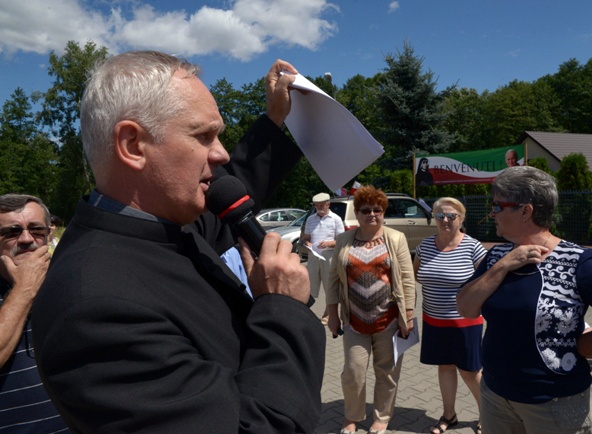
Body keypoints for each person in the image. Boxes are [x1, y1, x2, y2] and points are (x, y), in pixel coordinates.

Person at [31, 51, 325, 433]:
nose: (219, 152)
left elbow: (227, 192)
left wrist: (274, 120)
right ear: (133, 144)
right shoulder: (95, 309)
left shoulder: (158, 228)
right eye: (203, 136)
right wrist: (282, 309)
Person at [457, 166, 592, 434]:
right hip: (495, 396)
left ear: (526, 211)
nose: (492, 213)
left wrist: (584, 346)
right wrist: (502, 266)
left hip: (554, 404)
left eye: (497, 205)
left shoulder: (576, 261)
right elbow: (465, 308)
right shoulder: (496, 255)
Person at [326, 185, 416, 434]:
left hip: (388, 319)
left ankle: (382, 417)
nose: (372, 214)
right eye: (366, 210)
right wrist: (332, 312)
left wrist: (407, 315)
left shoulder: (396, 238)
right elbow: (333, 278)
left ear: (383, 212)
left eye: (378, 209)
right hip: (354, 320)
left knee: (386, 372)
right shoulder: (345, 239)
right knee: (353, 372)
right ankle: (352, 416)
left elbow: (407, 279)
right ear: (357, 212)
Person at [414, 197, 485, 434]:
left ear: (461, 219)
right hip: (434, 320)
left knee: (470, 371)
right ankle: (449, 415)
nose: (445, 220)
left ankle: (486, 415)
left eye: (451, 216)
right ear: (433, 218)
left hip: (466, 321)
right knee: (444, 366)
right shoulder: (424, 246)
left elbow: (488, 282)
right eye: (440, 216)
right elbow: (415, 275)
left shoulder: (473, 247)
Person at [0, 194, 69, 432]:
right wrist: (24, 290)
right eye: (12, 232)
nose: (27, 239)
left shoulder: (71, 280)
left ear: (49, 235)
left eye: (37, 230)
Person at [302, 192, 344, 324]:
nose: (319, 207)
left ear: (328, 204)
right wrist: (307, 243)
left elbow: (341, 240)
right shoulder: (310, 219)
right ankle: (306, 312)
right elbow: (305, 239)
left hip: (329, 256)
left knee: (329, 286)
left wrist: (329, 243)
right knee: (310, 285)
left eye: (322, 205)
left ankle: (329, 314)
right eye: (316, 205)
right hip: (313, 257)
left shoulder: (336, 219)